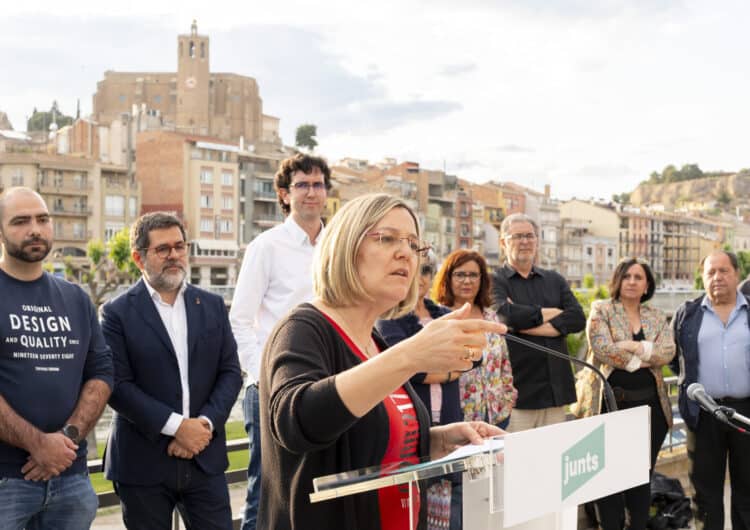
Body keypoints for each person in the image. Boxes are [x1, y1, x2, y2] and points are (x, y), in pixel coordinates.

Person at [258, 193, 505, 530]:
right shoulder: (303, 328)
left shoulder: (375, 342)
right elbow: (297, 422)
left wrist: (436, 441)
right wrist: (410, 355)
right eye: (387, 238)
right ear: (345, 246)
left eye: (413, 244)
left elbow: (369, 441)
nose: (405, 252)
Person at [101, 212, 243, 529]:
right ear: (139, 257)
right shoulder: (116, 313)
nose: (174, 255)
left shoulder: (212, 306)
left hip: (204, 458)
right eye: (163, 249)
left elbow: (231, 372)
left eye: (180, 246)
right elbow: (118, 386)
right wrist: (178, 426)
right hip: (142, 463)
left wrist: (203, 425)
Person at [0, 187, 113, 529]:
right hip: (6, 482)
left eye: (42, 219)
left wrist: (66, 441)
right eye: (20, 221)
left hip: (70, 479)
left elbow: (102, 372)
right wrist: (38, 445)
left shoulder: (76, 298)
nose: (34, 228)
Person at [229, 153, 330, 530]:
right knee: (264, 489)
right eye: (302, 185)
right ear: (285, 195)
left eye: (317, 184)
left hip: (325, 384)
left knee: (317, 487)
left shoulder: (336, 246)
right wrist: (261, 376)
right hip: (272, 386)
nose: (311, 193)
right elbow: (239, 320)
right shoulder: (265, 247)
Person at [573, 258, 675, 530]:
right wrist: (641, 357)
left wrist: (632, 346)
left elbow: (668, 350)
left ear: (647, 285)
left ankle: (638, 525)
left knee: (641, 476)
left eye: (638, 277)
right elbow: (603, 347)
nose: (632, 281)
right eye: (627, 276)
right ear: (618, 281)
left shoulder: (655, 315)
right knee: (609, 477)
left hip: (651, 410)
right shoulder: (601, 309)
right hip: (611, 406)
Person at [376, 252, 469, 530]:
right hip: (414, 425)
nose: (421, 279)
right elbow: (408, 369)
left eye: (426, 271)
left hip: (451, 418)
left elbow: (472, 355)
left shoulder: (443, 314)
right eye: (416, 271)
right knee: (419, 509)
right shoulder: (387, 319)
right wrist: (450, 369)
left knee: (454, 505)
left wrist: (439, 366)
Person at [671, 250, 750, 529]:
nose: (717, 277)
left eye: (723, 271)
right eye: (710, 272)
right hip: (703, 413)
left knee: (747, 492)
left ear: (736, 274)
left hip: (746, 414)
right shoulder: (688, 314)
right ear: (703, 278)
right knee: (705, 495)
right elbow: (675, 359)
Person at [492, 213, 586, 432]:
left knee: (553, 462)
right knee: (516, 463)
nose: (525, 241)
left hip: (555, 392)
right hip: (517, 396)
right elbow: (504, 316)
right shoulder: (494, 280)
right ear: (503, 242)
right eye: (517, 236)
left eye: (529, 236)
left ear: (537, 240)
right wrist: (553, 314)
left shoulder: (555, 279)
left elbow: (577, 318)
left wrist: (523, 324)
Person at [433, 249, 517, 430]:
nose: (467, 281)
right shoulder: (440, 318)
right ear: (448, 278)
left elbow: (504, 364)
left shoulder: (490, 316)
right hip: (459, 417)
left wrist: (508, 398)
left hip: (496, 414)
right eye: (460, 274)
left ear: (482, 279)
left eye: (473, 275)